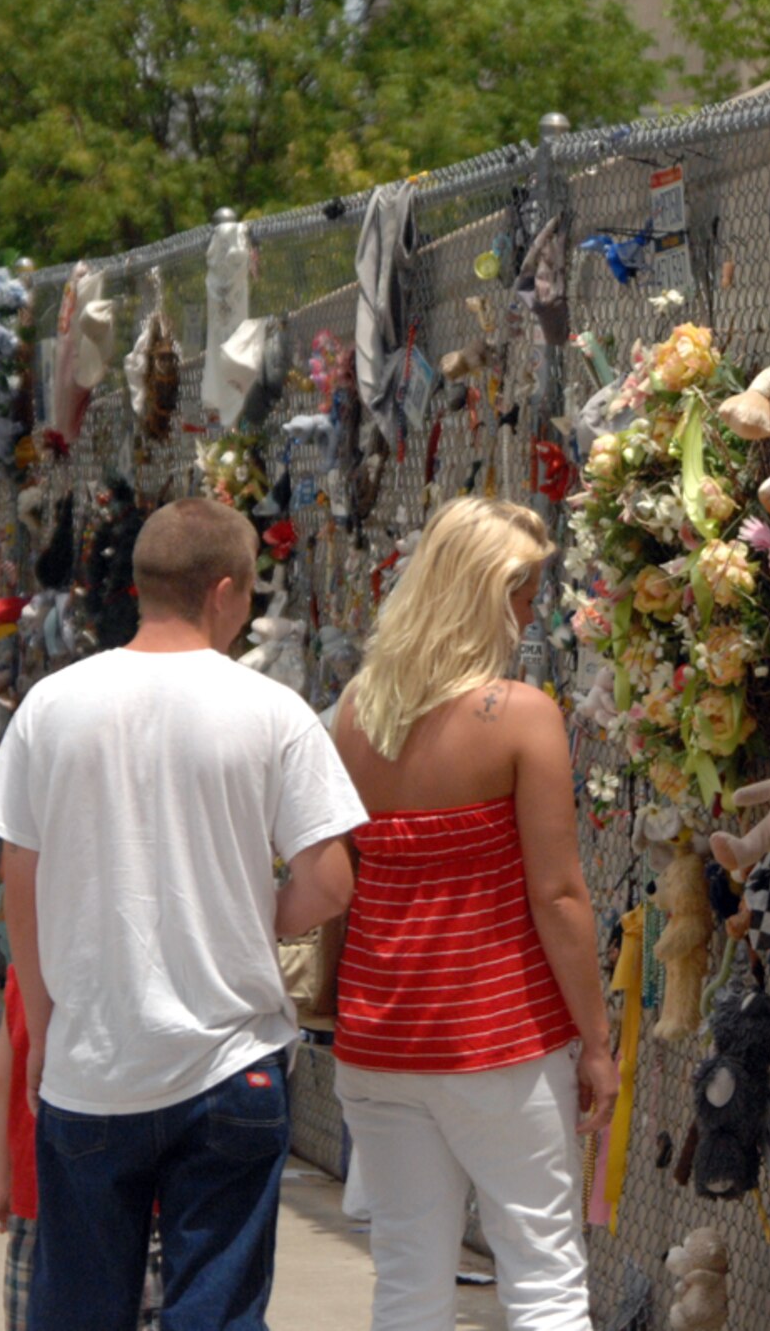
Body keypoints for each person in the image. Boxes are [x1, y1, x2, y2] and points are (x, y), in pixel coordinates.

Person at [0, 497, 364, 1331]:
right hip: (233, 1060)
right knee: (216, 1310)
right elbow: (330, 882)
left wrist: (42, 1030)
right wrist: (252, 919)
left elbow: (19, 875)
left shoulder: (53, 705)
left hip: (93, 1060)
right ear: (224, 590)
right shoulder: (274, 712)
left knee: (77, 1308)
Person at [328, 497, 617, 1331]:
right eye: (524, 593)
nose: (533, 614)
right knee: (544, 1276)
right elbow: (558, 894)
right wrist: (595, 1043)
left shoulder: (357, 714)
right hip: (500, 1037)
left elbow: (346, 870)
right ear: (487, 593)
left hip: (380, 1034)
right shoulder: (521, 715)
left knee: (408, 1276)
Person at [0, 970, 163, 1331]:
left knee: (34, 1313)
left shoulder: (23, 979)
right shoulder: (129, 973)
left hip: (35, 1190)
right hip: (130, 1191)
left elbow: (3, 1087)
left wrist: (3, 1182)